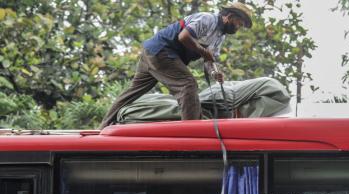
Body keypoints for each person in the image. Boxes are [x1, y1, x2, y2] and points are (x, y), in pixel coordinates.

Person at [100, 2, 253, 128]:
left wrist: (214, 73)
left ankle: (104, 125)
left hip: (152, 54)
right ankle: (191, 131)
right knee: (188, 85)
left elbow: (209, 60)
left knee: (133, 91)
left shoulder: (219, 37)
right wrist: (203, 51)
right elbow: (183, 36)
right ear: (230, 17)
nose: (238, 28)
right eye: (238, 24)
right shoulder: (207, 19)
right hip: (161, 51)